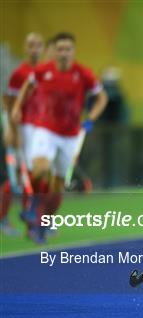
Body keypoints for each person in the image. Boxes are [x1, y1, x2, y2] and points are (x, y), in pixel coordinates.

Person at [11, 32, 108, 243]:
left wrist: (90, 117)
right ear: (54, 51)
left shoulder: (83, 74)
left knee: (57, 188)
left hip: (70, 136)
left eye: (67, 49)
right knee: (40, 169)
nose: (63, 53)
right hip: (45, 129)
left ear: (73, 51)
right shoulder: (42, 71)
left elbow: (102, 97)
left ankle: (44, 221)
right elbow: (27, 86)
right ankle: (33, 206)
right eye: (60, 49)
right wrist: (18, 108)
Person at [1, 32, 44, 238]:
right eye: (31, 45)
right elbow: (8, 101)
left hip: (39, 132)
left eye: (38, 45)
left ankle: (32, 220)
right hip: (21, 129)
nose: (34, 49)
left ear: (43, 48)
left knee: (32, 177)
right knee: (21, 176)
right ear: (26, 48)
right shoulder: (20, 73)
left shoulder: (45, 72)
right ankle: (7, 218)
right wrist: (11, 128)